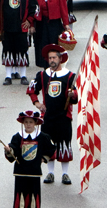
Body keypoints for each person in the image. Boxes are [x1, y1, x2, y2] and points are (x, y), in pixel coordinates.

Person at [27, 44, 78, 185]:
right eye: (50, 58)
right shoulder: (42, 75)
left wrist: (72, 94)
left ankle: (65, 174)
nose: (52, 60)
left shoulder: (70, 76)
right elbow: (31, 90)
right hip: (47, 117)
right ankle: (50, 173)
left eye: (54, 57)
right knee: (48, 145)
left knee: (64, 145)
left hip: (63, 116)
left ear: (60, 59)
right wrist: (37, 103)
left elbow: (76, 99)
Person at [4, 111, 55, 208]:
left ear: (35, 123)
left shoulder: (42, 137)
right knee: (21, 196)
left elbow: (52, 148)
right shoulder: (17, 137)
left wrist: (44, 158)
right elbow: (13, 154)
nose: (28, 125)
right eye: (26, 122)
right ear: (23, 123)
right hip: (20, 172)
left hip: (34, 172)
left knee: (33, 196)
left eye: (30, 122)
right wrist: (8, 150)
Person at [32, 0, 71, 67]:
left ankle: (55, 65)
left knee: (54, 45)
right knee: (42, 44)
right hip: (41, 24)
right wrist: (32, 25)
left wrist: (66, 24)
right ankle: (45, 67)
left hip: (54, 24)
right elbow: (32, 11)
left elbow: (63, 10)